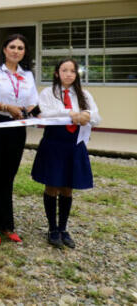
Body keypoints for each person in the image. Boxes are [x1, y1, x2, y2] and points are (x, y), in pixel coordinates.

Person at [31, 58, 100, 249]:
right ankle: (52, 228)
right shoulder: (48, 93)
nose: (68, 74)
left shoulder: (84, 94)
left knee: (68, 187)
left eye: (72, 70)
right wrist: (69, 112)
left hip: (74, 144)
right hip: (54, 143)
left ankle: (63, 228)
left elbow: (96, 115)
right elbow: (42, 113)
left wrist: (88, 116)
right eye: (64, 70)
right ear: (56, 73)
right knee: (52, 185)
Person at [0, 34, 39, 245]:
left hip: (17, 128)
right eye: (12, 46)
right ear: (4, 49)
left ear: (24, 52)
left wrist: (39, 111)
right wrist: (6, 107)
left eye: (20, 48)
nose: (16, 51)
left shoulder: (28, 75)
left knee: (8, 176)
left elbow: (32, 102)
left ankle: (7, 225)